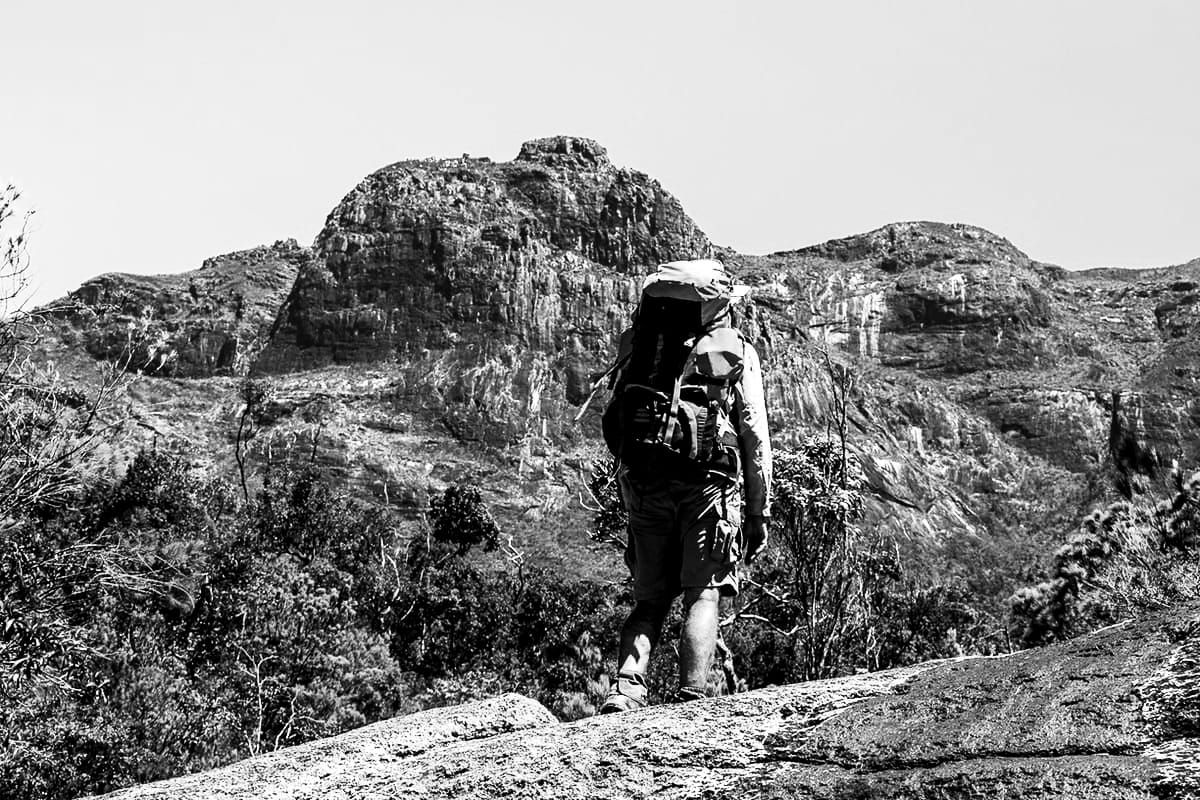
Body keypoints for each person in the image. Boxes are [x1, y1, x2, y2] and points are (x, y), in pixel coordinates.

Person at [598, 258, 772, 712]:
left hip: (645, 482)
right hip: (707, 487)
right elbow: (754, 435)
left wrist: (630, 494)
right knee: (704, 591)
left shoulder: (639, 345)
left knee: (649, 599)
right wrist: (758, 511)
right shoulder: (736, 350)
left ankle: (626, 688)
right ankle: (692, 698)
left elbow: (621, 421)